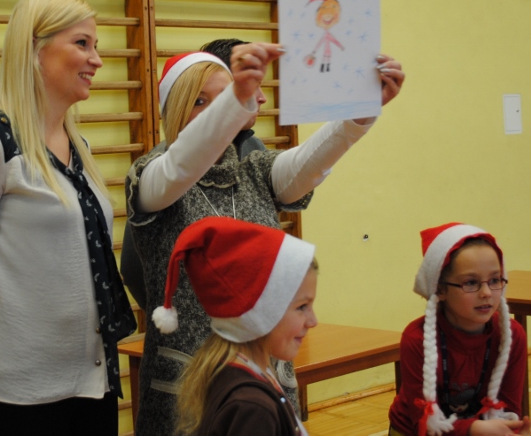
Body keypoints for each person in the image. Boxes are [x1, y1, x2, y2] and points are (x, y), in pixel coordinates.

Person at [125, 42, 405, 435]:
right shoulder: (151, 177)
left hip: (262, 383)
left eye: (225, 97)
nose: (219, 109)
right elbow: (180, 166)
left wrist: (359, 111)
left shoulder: (253, 172)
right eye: (201, 101)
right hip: (186, 389)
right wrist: (234, 101)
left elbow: (309, 162)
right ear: (175, 111)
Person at [0, 0, 136, 435]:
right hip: (15, 397)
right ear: (36, 50)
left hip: (90, 384)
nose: (97, 60)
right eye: (82, 43)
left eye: (96, 45)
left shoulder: (80, 147)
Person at [120, 38, 266, 310]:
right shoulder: (161, 172)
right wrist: (175, 316)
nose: (258, 97)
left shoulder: (254, 151)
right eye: (201, 101)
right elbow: (133, 266)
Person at [152, 216, 317, 436]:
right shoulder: (252, 408)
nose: (313, 321)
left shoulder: (238, 375)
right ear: (263, 310)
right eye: (302, 307)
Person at [388, 223, 529, 436]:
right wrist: (473, 429)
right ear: (440, 289)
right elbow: (423, 425)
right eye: (470, 283)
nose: (486, 292)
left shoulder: (512, 335)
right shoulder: (416, 338)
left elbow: (507, 410)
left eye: (494, 280)